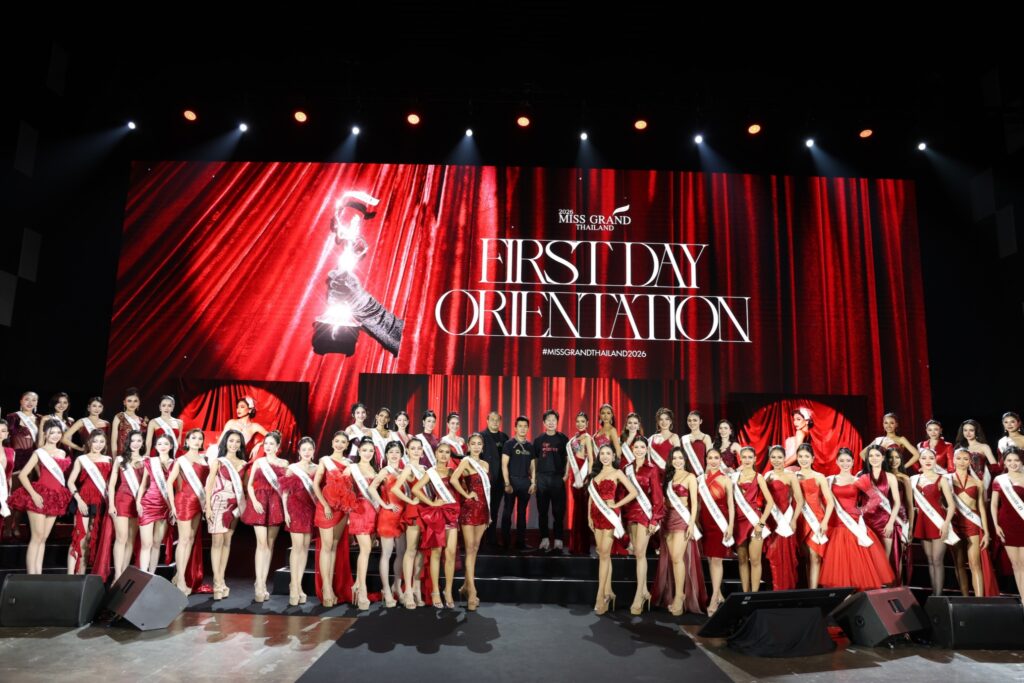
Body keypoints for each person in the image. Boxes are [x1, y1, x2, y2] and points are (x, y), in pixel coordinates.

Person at [820, 448, 895, 591]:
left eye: (848, 460)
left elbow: (876, 498)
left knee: (856, 561)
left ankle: (856, 595)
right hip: (836, 524)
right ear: (836, 462)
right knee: (839, 562)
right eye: (842, 460)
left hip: (853, 524)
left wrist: (861, 510)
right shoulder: (830, 480)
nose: (845, 463)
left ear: (853, 462)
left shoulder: (859, 480)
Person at [8, 420, 71, 574]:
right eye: (52, 432)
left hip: (55, 497)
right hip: (40, 495)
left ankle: (38, 573)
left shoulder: (62, 453)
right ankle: (31, 575)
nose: (55, 435)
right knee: (36, 538)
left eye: (58, 432)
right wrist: (34, 495)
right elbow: (23, 475)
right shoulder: (39, 452)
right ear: (45, 434)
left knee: (43, 538)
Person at [652, 446, 706, 615]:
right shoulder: (668, 477)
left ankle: (680, 596)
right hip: (667, 519)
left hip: (683, 519)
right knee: (672, 559)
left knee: (677, 558)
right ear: (670, 460)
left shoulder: (690, 477)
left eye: (680, 458)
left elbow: (694, 503)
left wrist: (691, 523)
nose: (677, 461)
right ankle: (677, 594)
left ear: (685, 460)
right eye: (674, 458)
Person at [588, 444, 637, 615]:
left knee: (604, 555)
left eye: (608, 453)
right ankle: (609, 592)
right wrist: (589, 516)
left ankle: (600, 596)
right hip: (596, 516)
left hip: (609, 516)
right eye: (602, 453)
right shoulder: (595, 474)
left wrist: (616, 505)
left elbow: (633, 492)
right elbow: (591, 497)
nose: (605, 456)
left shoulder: (617, 473)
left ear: (613, 456)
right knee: (602, 553)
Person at [412, 442, 461, 608]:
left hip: (451, 515)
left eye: (447, 452)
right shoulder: (430, 473)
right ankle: (435, 591)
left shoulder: (453, 472)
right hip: (438, 516)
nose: (444, 455)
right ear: (435, 453)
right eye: (441, 452)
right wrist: (431, 503)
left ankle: (448, 590)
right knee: (436, 553)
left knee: (451, 553)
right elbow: (416, 489)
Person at [242, 430, 288, 602]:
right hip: (259, 502)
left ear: (277, 446)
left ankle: (262, 582)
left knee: (270, 544)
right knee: (261, 544)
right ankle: (259, 584)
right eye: (266, 443)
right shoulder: (259, 462)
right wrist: (254, 501)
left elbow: (286, 488)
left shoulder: (284, 463)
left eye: (271, 444)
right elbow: (250, 485)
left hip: (275, 503)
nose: (268, 447)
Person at [204, 429, 249, 600]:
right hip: (218, 503)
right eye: (231, 441)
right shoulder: (218, 461)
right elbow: (209, 485)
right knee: (217, 542)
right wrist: (208, 507)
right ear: (225, 442)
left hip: (234, 505)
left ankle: (222, 579)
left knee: (227, 542)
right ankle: (216, 582)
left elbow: (244, 487)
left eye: (237, 441)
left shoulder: (244, 464)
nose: (234, 444)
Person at [621, 436, 664, 614]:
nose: (639, 450)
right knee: (636, 553)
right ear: (632, 449)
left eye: (642, 447)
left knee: (640, 554)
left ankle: (638, 596)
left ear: (647, 449)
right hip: (630, 514)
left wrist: (655, 519)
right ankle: (645, 591)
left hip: (645, 515)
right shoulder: (627, 468)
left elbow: (657, 496)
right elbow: (623, 493)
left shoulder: (652, 469)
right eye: (636, 447)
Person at [949, 447, 999, 597]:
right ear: (953, 460)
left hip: (972, 523)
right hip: (954, 523)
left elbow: (982, 508)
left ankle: (978, 600)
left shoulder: (977, 482)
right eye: (959, 458)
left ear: (970, 461)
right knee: (959, 564)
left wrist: (986, 532)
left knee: (975, 564)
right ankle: (965, 599)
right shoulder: (946, 479)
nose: (962, 462)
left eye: (965, 459)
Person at [347, 436, 389, 611]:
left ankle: (357, 584)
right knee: (365, 549)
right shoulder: (352, 468)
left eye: (371, 451)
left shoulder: (375, 469)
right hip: (359, 511)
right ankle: (362, 589)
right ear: (359, 451)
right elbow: (342, 488)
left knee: (368, 549)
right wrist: (349, 511)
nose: (367, 453)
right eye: (364, 450)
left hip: (374, 512)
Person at [312, 432, 353, 608]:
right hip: (326, 507)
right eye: (337, 441)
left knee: (334, 546)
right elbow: (315, 484)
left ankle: (330, 586)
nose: (339, 444)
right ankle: (327, 589)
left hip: (342, 509)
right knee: (326, 547)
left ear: (347, 445)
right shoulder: (325, 460)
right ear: (332, 442)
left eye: (343, 442)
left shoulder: (350, 463)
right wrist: (325, 505)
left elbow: (351, 488)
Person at [166, 428, 209, 595]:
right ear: (187, 441)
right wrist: (172, 505)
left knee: (190, 539)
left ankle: (179, 575)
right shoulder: (181, 460)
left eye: (199, 438)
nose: (197, 441)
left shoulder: (205, 459)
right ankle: (181, 581)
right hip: (183, 501)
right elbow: (169, 483)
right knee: (183, 539)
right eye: (193, 438)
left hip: (198, 502)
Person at [450, 433, 490, 610]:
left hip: (483, 510)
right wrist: (466, 494)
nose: (476, 446)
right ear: (468, 445)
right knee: (469, 548)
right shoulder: (466, 462)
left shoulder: (485, 464)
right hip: (469, 509)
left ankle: (466, 586)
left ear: (482, 446)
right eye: (473, 443)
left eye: (479, 443)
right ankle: (472, 592)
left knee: (475, 548)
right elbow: (453, 479)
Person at [65, 430, 113, 577]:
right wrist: (79, 500)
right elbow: (70, 482)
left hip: (101, 501)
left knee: (89, 539)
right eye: (95, 441)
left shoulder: (109, 459)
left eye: (102, 442)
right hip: (84, 499)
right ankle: (70, 575)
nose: (98, 445)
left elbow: (110, 484)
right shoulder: (82, 459)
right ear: (89, 442)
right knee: (79, 537)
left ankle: (81, 574)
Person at [912, 448, 958, 595]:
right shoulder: (913, 479)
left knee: (938, 560)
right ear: (919, 460)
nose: (927, 461)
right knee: (930, 560)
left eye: (931, 458)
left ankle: (938, 595)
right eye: (924, 458)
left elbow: (951, 506)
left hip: (938, 522)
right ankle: (934, 593)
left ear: (935, 460)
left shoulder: (941, 479)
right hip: (922, 522)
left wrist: (946, 524)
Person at [857, 444, 905, 580]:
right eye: (871, 455)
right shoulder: (862, 476)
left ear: (883, 458)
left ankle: (883, 589)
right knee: (869, 559)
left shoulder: (890, 477)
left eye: (877, 455)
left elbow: (897, 503)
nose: (874, 458)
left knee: (884, 559)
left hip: (885, 521)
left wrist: (890, 523)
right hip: (866, 523)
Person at [281, 437, 318, 605]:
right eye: (304, 449)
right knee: (296, 547)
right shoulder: (292, 468)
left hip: (310, 509)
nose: (307, 452)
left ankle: (298, 584)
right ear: (299, 451)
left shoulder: (317, 468)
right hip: (294, 508)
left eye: (310, 449)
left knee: (304, 548)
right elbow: (285, 492)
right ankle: (293, 586)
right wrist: (285, 512)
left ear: (314, 451)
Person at [391, 437, 428, 608]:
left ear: (422, 451)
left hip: (426, 511)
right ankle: (408, 591)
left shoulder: (425, 468)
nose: (416, 451)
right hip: (414, 512)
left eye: (418, 448)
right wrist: (410, 501)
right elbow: (395, 488)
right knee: (411, 550)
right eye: (412, 448)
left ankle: (417, 589)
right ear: (407, 451)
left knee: (420, 551)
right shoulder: (408, 468)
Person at [732, 446, 775, 592]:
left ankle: (754, 594)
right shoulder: (734, 477)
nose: (747, 460)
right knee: (742, 560)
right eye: (744, 457)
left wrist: (761, 524)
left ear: (755, 459)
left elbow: (770, 502)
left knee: (755, 560)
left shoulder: (759, 477)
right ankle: (745, 593)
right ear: (740, 459)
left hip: (754, 522)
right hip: (738, 522)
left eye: (750, 457)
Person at [698, 448, 734, 614]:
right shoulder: (701, 479)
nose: (713, 461)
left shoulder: (726, 479)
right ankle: (718, 594)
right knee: (710, 559)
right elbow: (698, 504)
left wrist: (730, 526)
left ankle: (713, 599)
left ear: (721, 460)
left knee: (717, 560)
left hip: (720, 523)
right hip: (705, 523)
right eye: (710, 458)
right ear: (706, 460)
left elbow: (731, 505)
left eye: (716, 458)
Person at [370, 440, 406, 608]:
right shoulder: (385, 471)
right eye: (391, 452)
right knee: (387, 554)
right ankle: (386, 590)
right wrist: (384, 505)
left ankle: (397, 586)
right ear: (386, 455)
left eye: (397, 452)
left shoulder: (404, 471)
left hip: (402, 517)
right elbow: (372, 488)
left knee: (401, 553)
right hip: (388, 516)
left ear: (401, 454)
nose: (394, 455)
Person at [107, 429, 145, 582]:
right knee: (121, 538)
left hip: (137, 502)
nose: (136, 444)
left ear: (142, 443)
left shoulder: (146, 461)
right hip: (122, 500)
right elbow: (111, 484)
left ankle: (124, 574)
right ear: (128, 442)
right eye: (133, 440)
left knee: (130, 539)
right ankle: (117, 575)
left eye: (139, 441)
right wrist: (111, 504)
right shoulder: (120, 459)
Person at [764, 445, 803, 590]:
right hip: (772, 521)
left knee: (787, 556)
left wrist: (793, 520)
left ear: (784, 458)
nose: (776, 460)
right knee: (773, 555)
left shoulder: (791, 476)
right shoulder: (767, 476)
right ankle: (775, 587)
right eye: (773, 457)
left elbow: (800, 500)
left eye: (779, 457)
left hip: (786, 520)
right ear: (769, 458)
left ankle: (786, 588)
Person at [795, 443, 834, 589]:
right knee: (806, 558)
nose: (803, 459)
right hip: (800, 520)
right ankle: (810, 590)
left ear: (812, 458)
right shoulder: (793, 476)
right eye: (800, 456)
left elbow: (830, 502)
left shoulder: (819, 477)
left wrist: (825, 522)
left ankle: (814, 591)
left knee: (815, 556)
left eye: (807, 456)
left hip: (816, 520)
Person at [136, 434, 175, 575]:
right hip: (148, 504)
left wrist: (173, 507)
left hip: (165, 505)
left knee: (157, 543)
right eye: (159, 444)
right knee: (146, 543)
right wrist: (138, 501)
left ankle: (151, 575)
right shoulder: (151, 462)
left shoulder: (176, 463)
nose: (163, 447)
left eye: (166, 444)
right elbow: (143, 484)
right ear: (155, 447)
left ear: (171, 446)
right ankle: (143, 574)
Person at [990, 447, 1024, 599]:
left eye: (1016, 460)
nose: (1013, 463)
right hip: (1006, 525)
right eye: (1009, 460)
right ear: (1004, 462)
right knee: (1016, 565)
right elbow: (993, 505)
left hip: (1022, 523)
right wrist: (996, 525)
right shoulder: (999, 480)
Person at [533, 409, 569, 552]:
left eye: (554, 420)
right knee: (542, 511)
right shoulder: (538, 440)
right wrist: (535, 478)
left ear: (557, 422)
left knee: (558, 511)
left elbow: (568, 458)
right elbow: (535, 460)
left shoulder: (563, 439)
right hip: (542, 478)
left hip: (557, 478)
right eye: (548, 420)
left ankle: (558, 540)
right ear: (544, 423)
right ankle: (544, 539)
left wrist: (566, 475)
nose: (551, 422)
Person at [501, 416, 536, 551]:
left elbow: (533, 466)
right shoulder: (509, 444)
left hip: (525, 482)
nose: (522, 428)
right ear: (515, 428)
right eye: (520, 426)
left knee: (522, 513)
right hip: (512, 481)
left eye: (525, 426)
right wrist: (507, 483)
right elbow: (504, 465)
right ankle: (506, 542)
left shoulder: (530, 446)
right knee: (507, 512)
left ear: (528, 428)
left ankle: (520, 542)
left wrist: (533, 483)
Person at [566, 411, 595, 555]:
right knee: (577, 509)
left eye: (583, 421)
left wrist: (589, 477)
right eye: (577, 421)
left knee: (582, 509)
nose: (580, 424)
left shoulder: (588, 438)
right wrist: (566, 474)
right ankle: (575, 545)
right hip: (574, 474)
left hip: (582, 475)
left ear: (587, 423)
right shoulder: (574, 439)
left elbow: (591, 458)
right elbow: (569, 458)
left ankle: (582, 546)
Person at [478, 411, 509, 546]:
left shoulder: (504, 437)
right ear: (487, 421)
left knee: (494, 510)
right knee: (483, 510)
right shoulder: (481, 436)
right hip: (485, 480)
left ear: (500, 422)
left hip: (500, 480)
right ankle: (480, 540)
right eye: (492, 419)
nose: (495, 422)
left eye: (497, 420)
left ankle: (491, 540)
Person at [956, 419, 999, 485]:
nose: (968, 433)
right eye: (965, 430)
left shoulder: (984, 447)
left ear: (976, 431)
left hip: (981, 482)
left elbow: (994, 467)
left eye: (971, 430)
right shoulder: (959, 447)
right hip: (962, 481)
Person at [111, 387, 147, 458]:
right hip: (122, 456)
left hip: (137, 456)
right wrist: (115, 459)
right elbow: (113, 441)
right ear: (124, 402)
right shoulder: (119, 417)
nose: (132, 404)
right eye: (129, 401)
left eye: (135, 401)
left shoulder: (141, 421)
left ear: (139, 403)